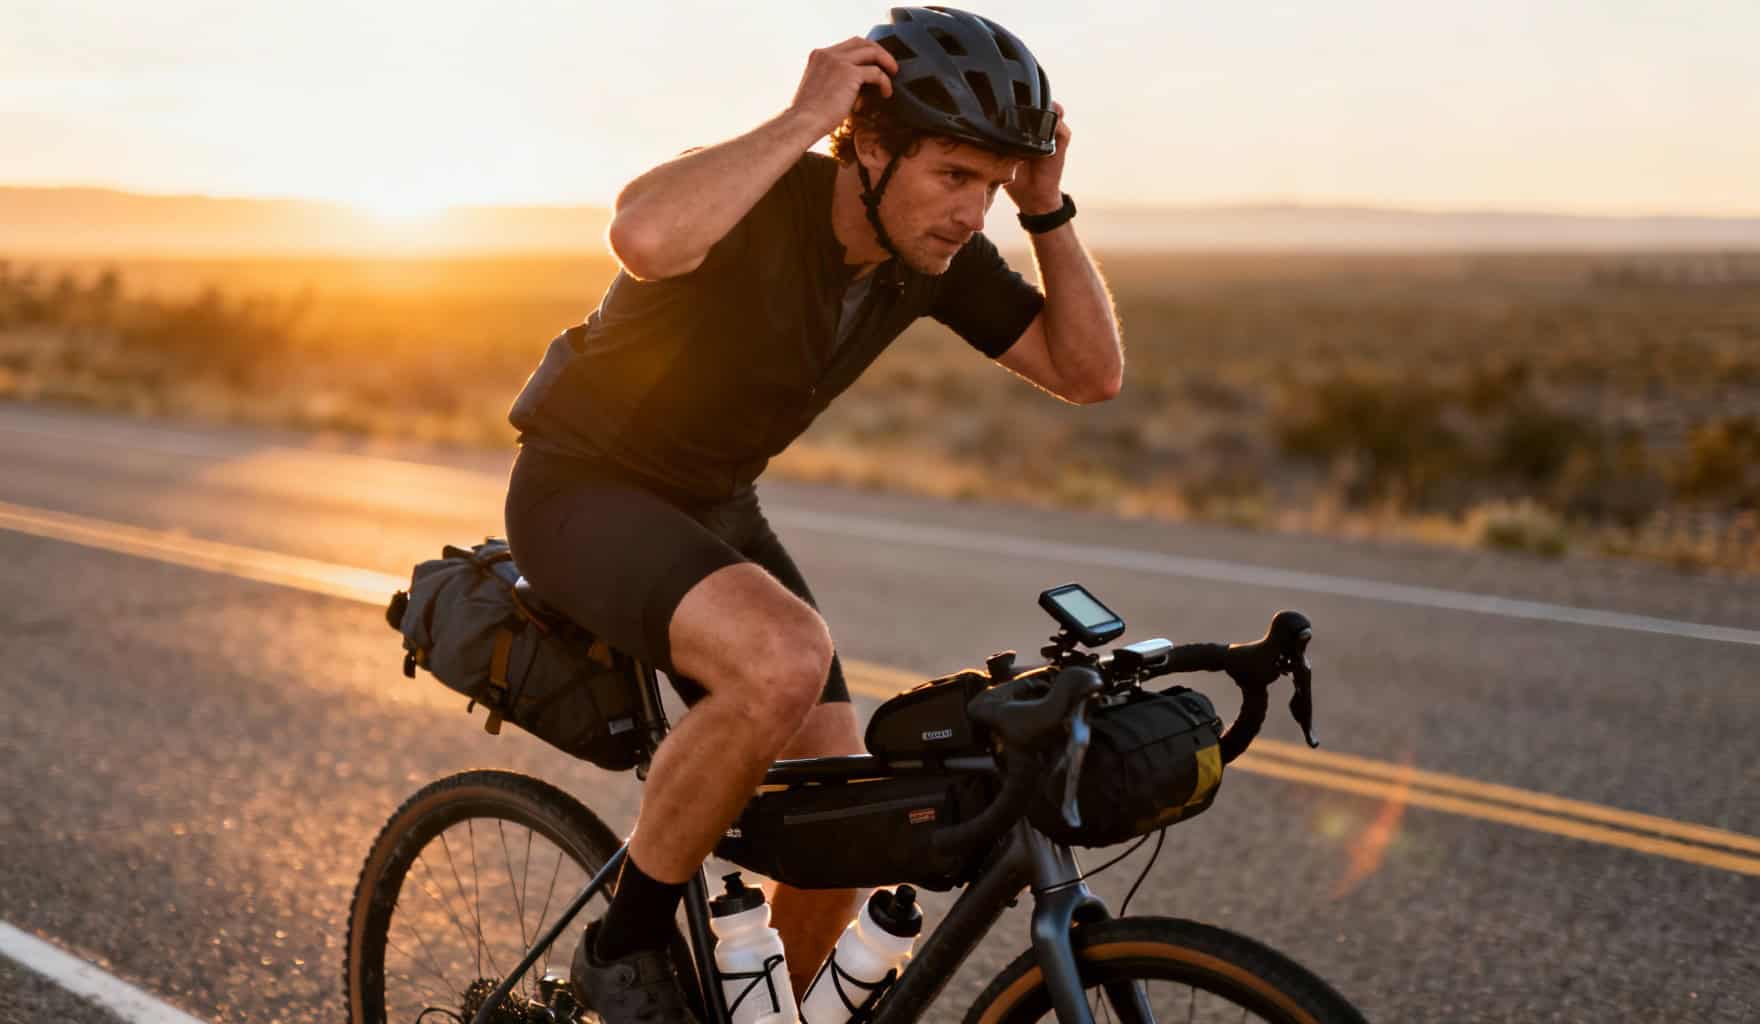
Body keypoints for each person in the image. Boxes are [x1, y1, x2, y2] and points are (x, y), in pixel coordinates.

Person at [502, 7, 1122, 1021]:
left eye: (991, 184)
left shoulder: (928, 258)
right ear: (870, 147)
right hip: (584, 490)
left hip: (713, 505)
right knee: (783, 656)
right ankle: (622, 950)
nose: (972, 212)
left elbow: (1086, 372)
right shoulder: (753, 196)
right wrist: (805, 115)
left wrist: (1046, 209)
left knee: (842, 814)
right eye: (953, 175)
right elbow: (643, 237)